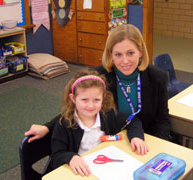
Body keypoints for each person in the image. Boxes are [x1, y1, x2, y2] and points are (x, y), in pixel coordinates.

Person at [25, 24, 172, 142]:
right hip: (109, 142)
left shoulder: (157, 77)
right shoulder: (98, 77)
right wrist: (47, 127)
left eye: (131, 53)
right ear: (110, 55)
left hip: (145, 141)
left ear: (140, 52)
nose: (125, 61)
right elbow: (77, 110)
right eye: (118, 54)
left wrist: (156, 148)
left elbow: (162, 120)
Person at [50, 69, 148, 176]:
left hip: (105, 168)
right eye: (84, 100)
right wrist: (71, 158)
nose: (91, 106)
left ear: (103, 98)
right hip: (80, 172)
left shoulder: (107, 115)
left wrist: (136, 137)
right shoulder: (64, 124)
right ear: (73, 98)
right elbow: (56, 155)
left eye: (96, 100)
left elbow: (133, 121)